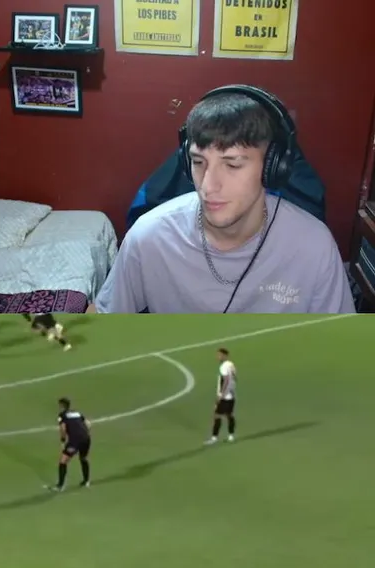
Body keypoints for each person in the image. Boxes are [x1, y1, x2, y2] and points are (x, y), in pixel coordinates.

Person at [94, 85, 354, 314]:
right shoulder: (149, 238)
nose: (208, 186)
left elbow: (337, 345)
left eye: (232, 164)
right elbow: (105, 327)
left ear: (272, 167)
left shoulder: (314, 247)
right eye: (198, 162)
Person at [49, 397, 91, 491]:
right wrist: (84, 434)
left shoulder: (62, 415)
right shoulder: (77, 413)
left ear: (62, 405)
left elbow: (63, 428)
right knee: (83, 458)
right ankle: (86, 481)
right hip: (86, 438)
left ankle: (60, 486)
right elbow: (88, 424)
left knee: (63, 461)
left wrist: (63, 440)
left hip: (75, 441)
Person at [207, 347, 237, 445]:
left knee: (217, 415)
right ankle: (231, 436)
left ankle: (214, 438)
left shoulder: (224, 366)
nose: (218, 357)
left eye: (219, 355)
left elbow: (226, 380)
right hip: (231, 394)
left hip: (225, 396)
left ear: (225, 355)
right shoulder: (231, 365)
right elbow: (234, 378)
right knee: (229, 415)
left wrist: (221, 395)